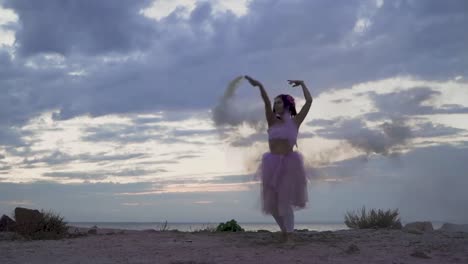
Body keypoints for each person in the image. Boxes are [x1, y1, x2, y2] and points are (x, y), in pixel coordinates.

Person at [245, 75, 313, 242]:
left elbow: (309, 102)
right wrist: (260, 85)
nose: (276, 105)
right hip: (271, 164)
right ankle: (284, 231)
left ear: (287, 104)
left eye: (279, 102)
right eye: (275, 102)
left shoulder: (296, 121)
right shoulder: (271, 121)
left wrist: (303, 84)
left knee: (284, 202)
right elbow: (266, 102)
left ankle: (289, 235)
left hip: (290, 165)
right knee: (272, 204)